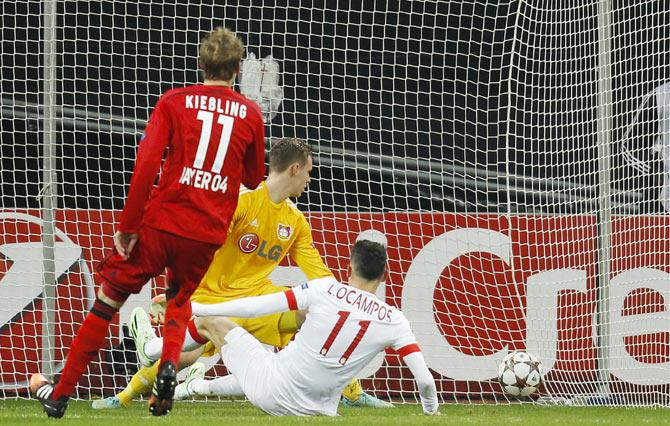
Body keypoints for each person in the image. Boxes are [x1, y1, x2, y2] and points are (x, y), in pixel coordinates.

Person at [29, 27, 266, 418]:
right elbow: (255, 178)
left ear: (200, 64)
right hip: (206, 231)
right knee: (179, 301)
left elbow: (146, 166)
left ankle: (60, 394)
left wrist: (128, 224)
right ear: (238, 70)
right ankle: (169, 367)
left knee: (107, 303)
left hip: (163, 220)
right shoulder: (251, 114)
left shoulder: (175, 101)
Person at [92, 138, 392, 409]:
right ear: (295, 169)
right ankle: (123, 397)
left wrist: (347, 300)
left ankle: (350, 392)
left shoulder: (296, 222)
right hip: (211, 297)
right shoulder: (240, 202)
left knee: (314, 312)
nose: (310, 179)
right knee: (181, 356)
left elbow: (320, 277)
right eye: (309, 172)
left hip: (256, 300)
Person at [187, 240, 439, 416]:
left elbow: (254, 308)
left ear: (349, 268)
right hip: (320, 410)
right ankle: (195, 387)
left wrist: (195, 306)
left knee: (211, 320)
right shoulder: (395, 321)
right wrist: (431, 412)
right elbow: (426, 381)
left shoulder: (323, 289)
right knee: (266, 365)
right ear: (385, 276)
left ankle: (149, 350)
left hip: (270, 392)